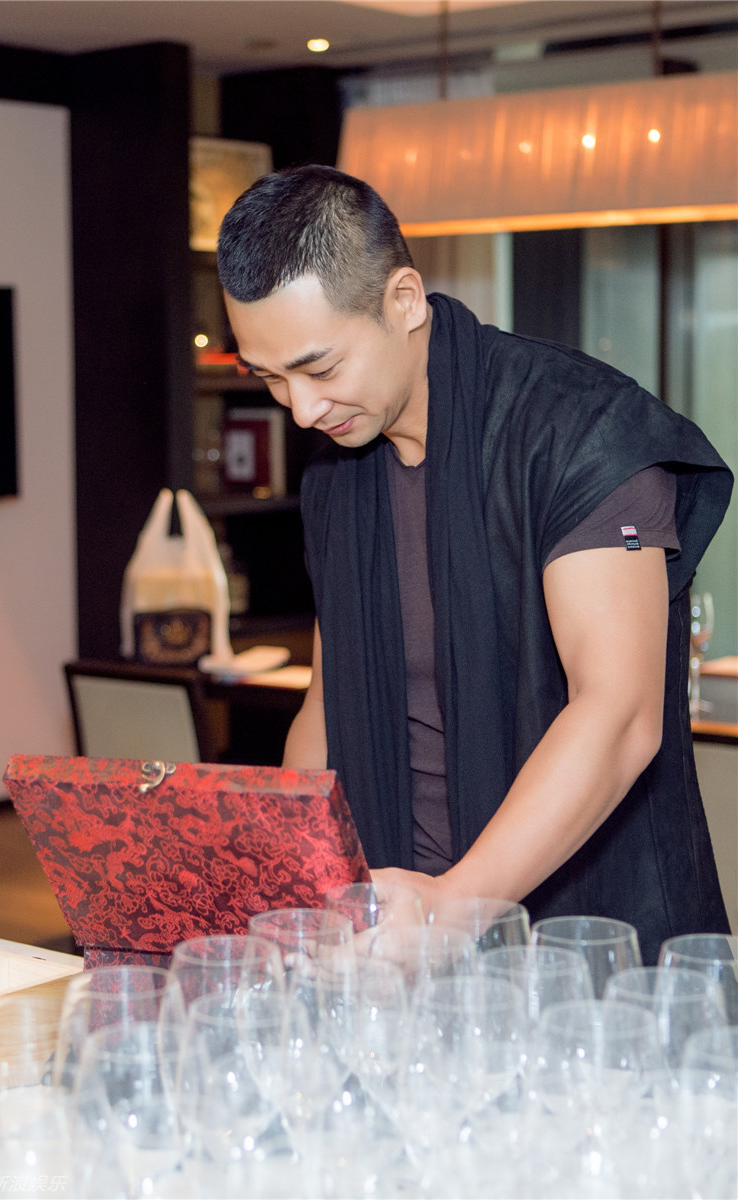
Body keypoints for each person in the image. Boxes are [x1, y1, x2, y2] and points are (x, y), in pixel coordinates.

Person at [217, 164, 732, 964]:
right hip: (397, 937)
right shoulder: (335, 477)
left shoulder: (579, 430)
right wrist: (300, 892)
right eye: (271, 378)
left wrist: (452, 906)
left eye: (320, 368)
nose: (303, 409)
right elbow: (326, 704)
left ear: (404, 300)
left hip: (585, 940)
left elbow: (618, 714)